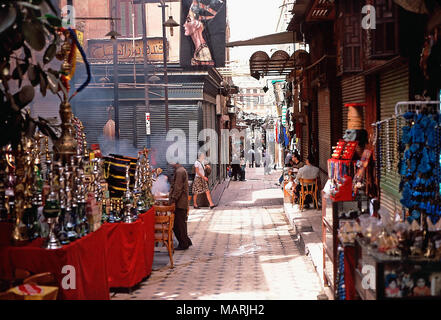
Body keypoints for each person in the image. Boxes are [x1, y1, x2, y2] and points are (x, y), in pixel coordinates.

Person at [183, 0, 225, 66]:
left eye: (188, 20)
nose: (184, 24)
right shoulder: (199, 49)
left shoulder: (204, 52)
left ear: (197, 24)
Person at [169, 162, 192, 250]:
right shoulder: (180, 170)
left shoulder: (179, 172)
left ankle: (183, 243)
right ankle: (186, 241)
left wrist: (173, 200)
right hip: (181, 202)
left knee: (178, 224)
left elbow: (178, 188)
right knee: (181, 223)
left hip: (180, 202)